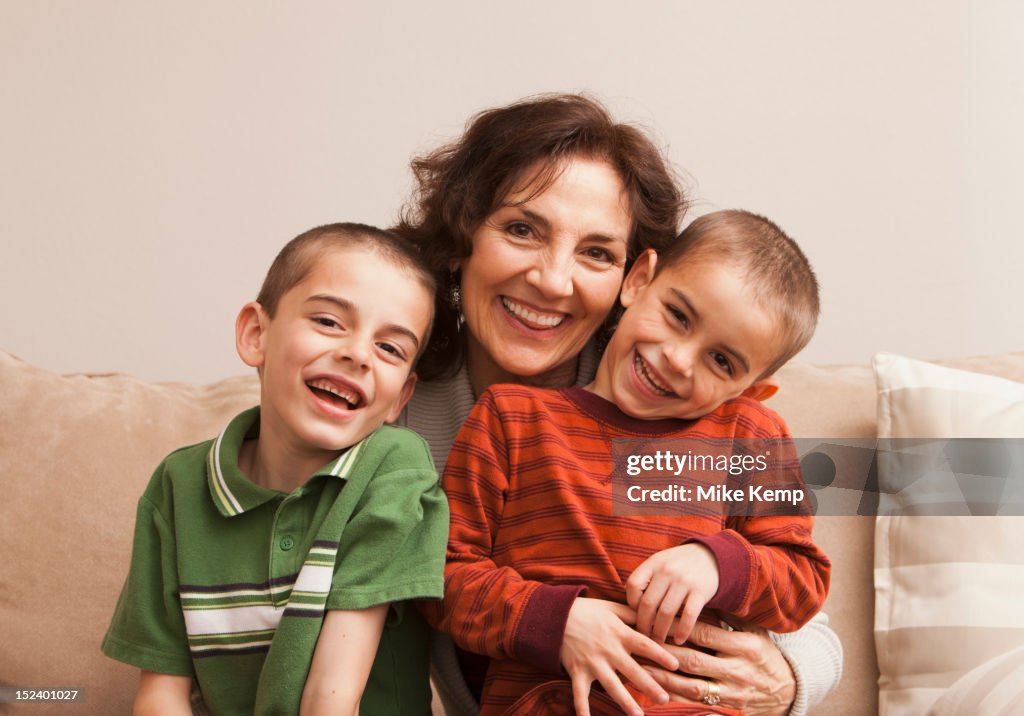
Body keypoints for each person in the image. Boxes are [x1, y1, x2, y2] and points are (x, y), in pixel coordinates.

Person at [395, 94, 842, 715]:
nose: (554, 281)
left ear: (630, 273)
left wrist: (772, 655)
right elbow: (439, 580)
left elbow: (802, 590)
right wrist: (559, 622)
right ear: (463, 234)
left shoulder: (741, 434)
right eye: (522, 229)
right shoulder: (415, 405)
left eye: (596, 251)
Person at [101, 223, 449, 715]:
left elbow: (331, 699)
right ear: (255, 334)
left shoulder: (393, 466)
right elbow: (162, 693)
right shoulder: (178, 485)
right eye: (329, 321)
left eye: (390, 348)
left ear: (401, 397)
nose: (357, 354)